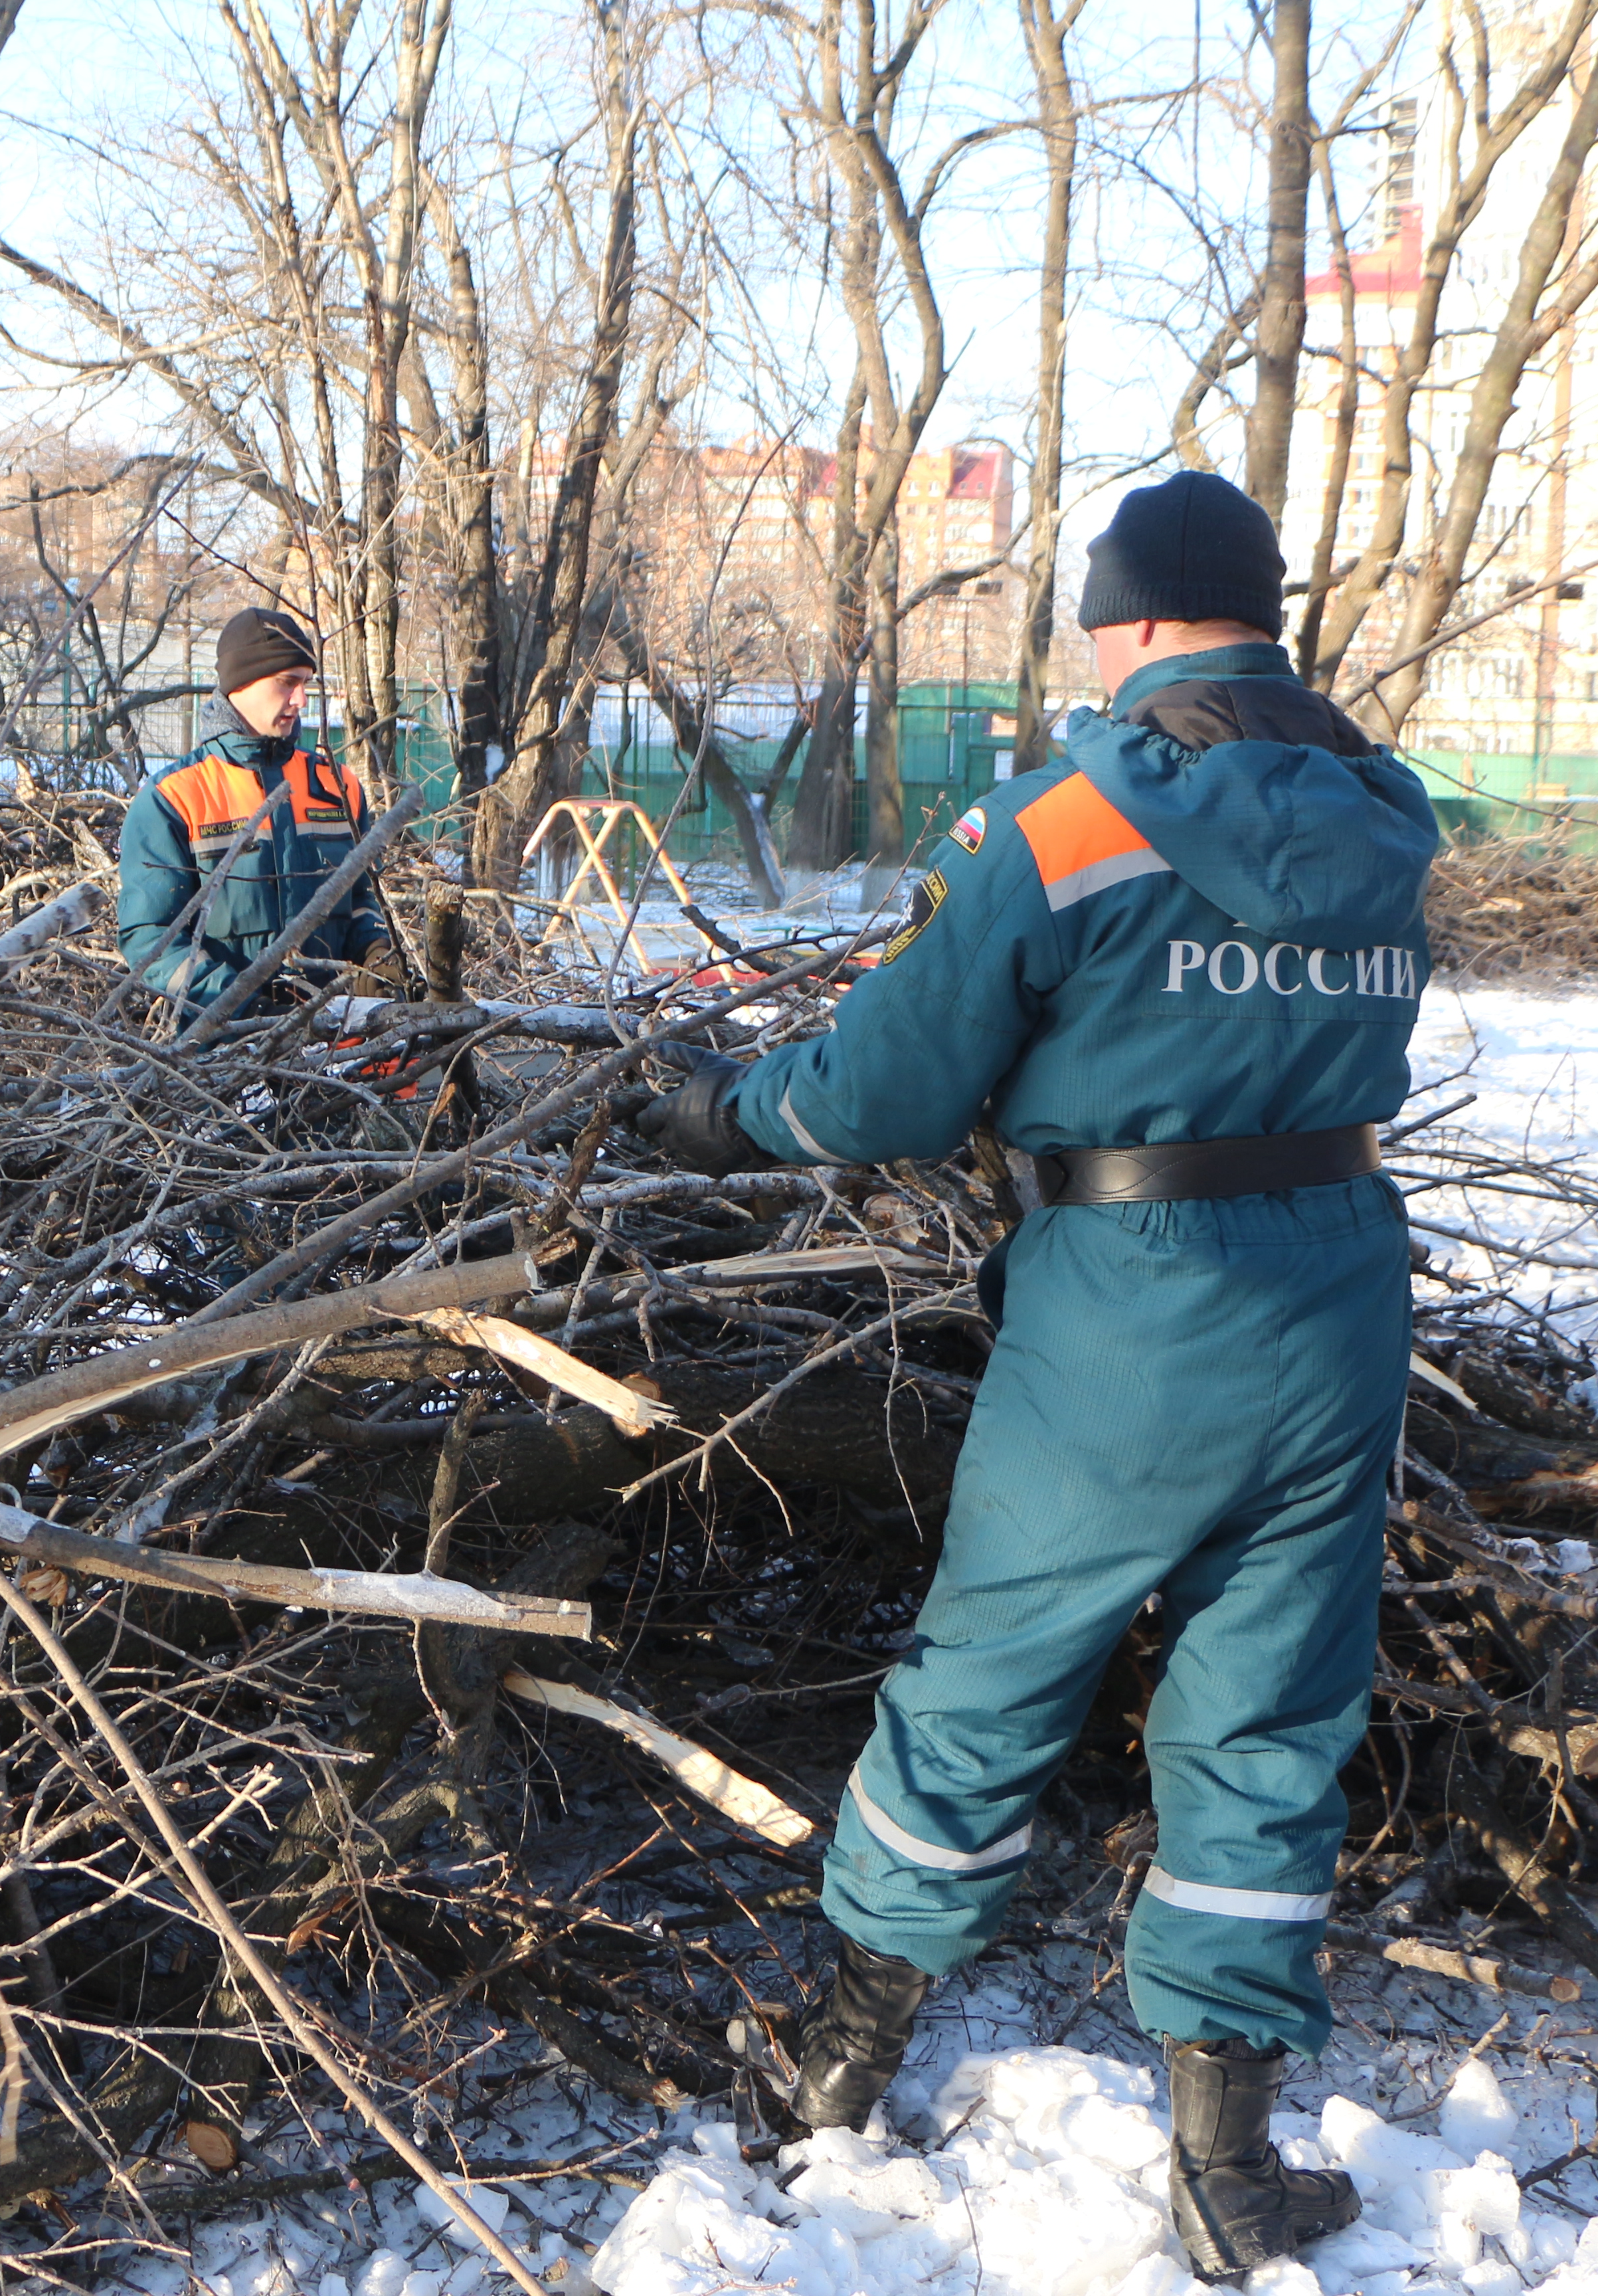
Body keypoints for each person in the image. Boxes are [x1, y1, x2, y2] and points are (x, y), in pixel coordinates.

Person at [634, 470, 1440, 2281]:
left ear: (1135, 620)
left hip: (1137, 1305)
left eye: (1096, 615)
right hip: (1341, 1290)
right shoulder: (1386, 815)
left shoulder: (1074, 816)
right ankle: (1228, 2172)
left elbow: (884, 1089)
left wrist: (724, 1111)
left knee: (990, 1674)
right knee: (1271, 1706)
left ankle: (835, 2066)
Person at [118, 607, 402, 1015]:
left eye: (305, 684)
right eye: (287, 683)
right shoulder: (172, 798)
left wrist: (378, 956)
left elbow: (360, 902)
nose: (301, 699)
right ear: (242, 683)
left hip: (339, 1042)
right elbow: (151, 942)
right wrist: (242, 1007)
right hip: (222, 1054)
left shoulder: (338, 788)